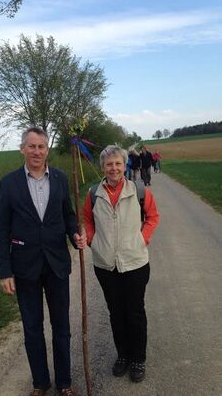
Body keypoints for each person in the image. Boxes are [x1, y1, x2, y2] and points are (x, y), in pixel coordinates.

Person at [0, 126, 86, 396]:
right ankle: (40, 383)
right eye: (32, 146)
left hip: (57, 265)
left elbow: (68, 215)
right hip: (25, 268)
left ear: (48, 149)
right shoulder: (9, 183)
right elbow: (3, 229)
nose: (37, 151)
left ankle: (65, 382)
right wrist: (4, 271)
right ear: (22, 149)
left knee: (62, 327)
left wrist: (75, 234)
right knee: (32, 328)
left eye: (42, 146)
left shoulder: (59, 178)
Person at [83, 145, 159, 383]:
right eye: (109, 164)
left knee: (134, 312)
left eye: (117, 163)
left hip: (135, 262)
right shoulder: (93, 192)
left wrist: (142, 238)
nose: (113, 168)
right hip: (106, 265)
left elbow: (153, 217)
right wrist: (92, 240)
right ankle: (123, 355)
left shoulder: (138, 190)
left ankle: (138, 358)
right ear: (103, 167)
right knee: (116, 312)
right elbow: (86, 219)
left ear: (124, 165)